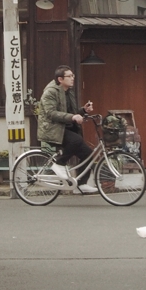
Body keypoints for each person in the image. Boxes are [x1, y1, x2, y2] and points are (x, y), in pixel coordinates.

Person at [37, 65, 97, 194]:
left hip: (64, 128)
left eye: (72, 76)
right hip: (52, 129)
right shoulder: (50, 92)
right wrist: (73, 116)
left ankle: (81, 185)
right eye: (69, 76)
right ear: (60, 79)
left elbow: (71, 112)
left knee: (88, 154)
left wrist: (83, 110)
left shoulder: (68, 91)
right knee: (76, 140)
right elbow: (51, 113)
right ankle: (59, 163)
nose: (72, 78)